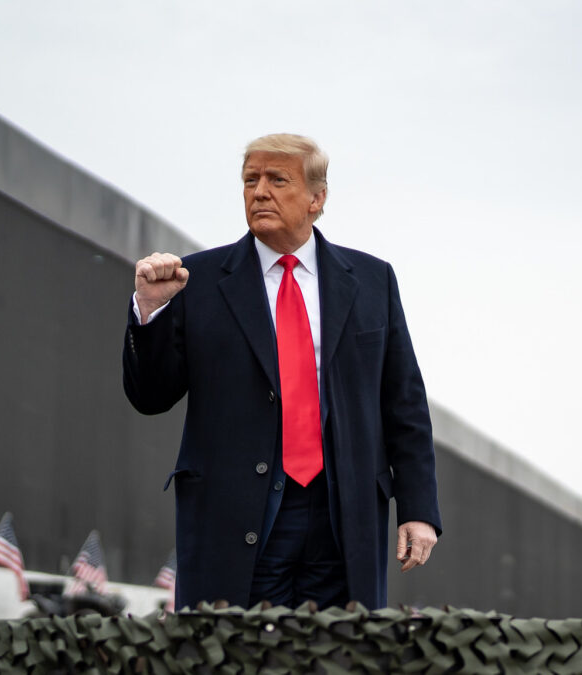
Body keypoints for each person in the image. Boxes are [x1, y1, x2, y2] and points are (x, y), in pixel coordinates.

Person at [123, 134, 441, 611]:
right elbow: (150, 396)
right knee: (236, 658)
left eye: (277, 180)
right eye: (251, 180)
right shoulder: (196, 280)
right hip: (234, 513)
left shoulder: (374, 281)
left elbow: (404, 401)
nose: (259, 192)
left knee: (341, 658)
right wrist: (149, 312)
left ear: (317, 198)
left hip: (344, 514)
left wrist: (418, 510)